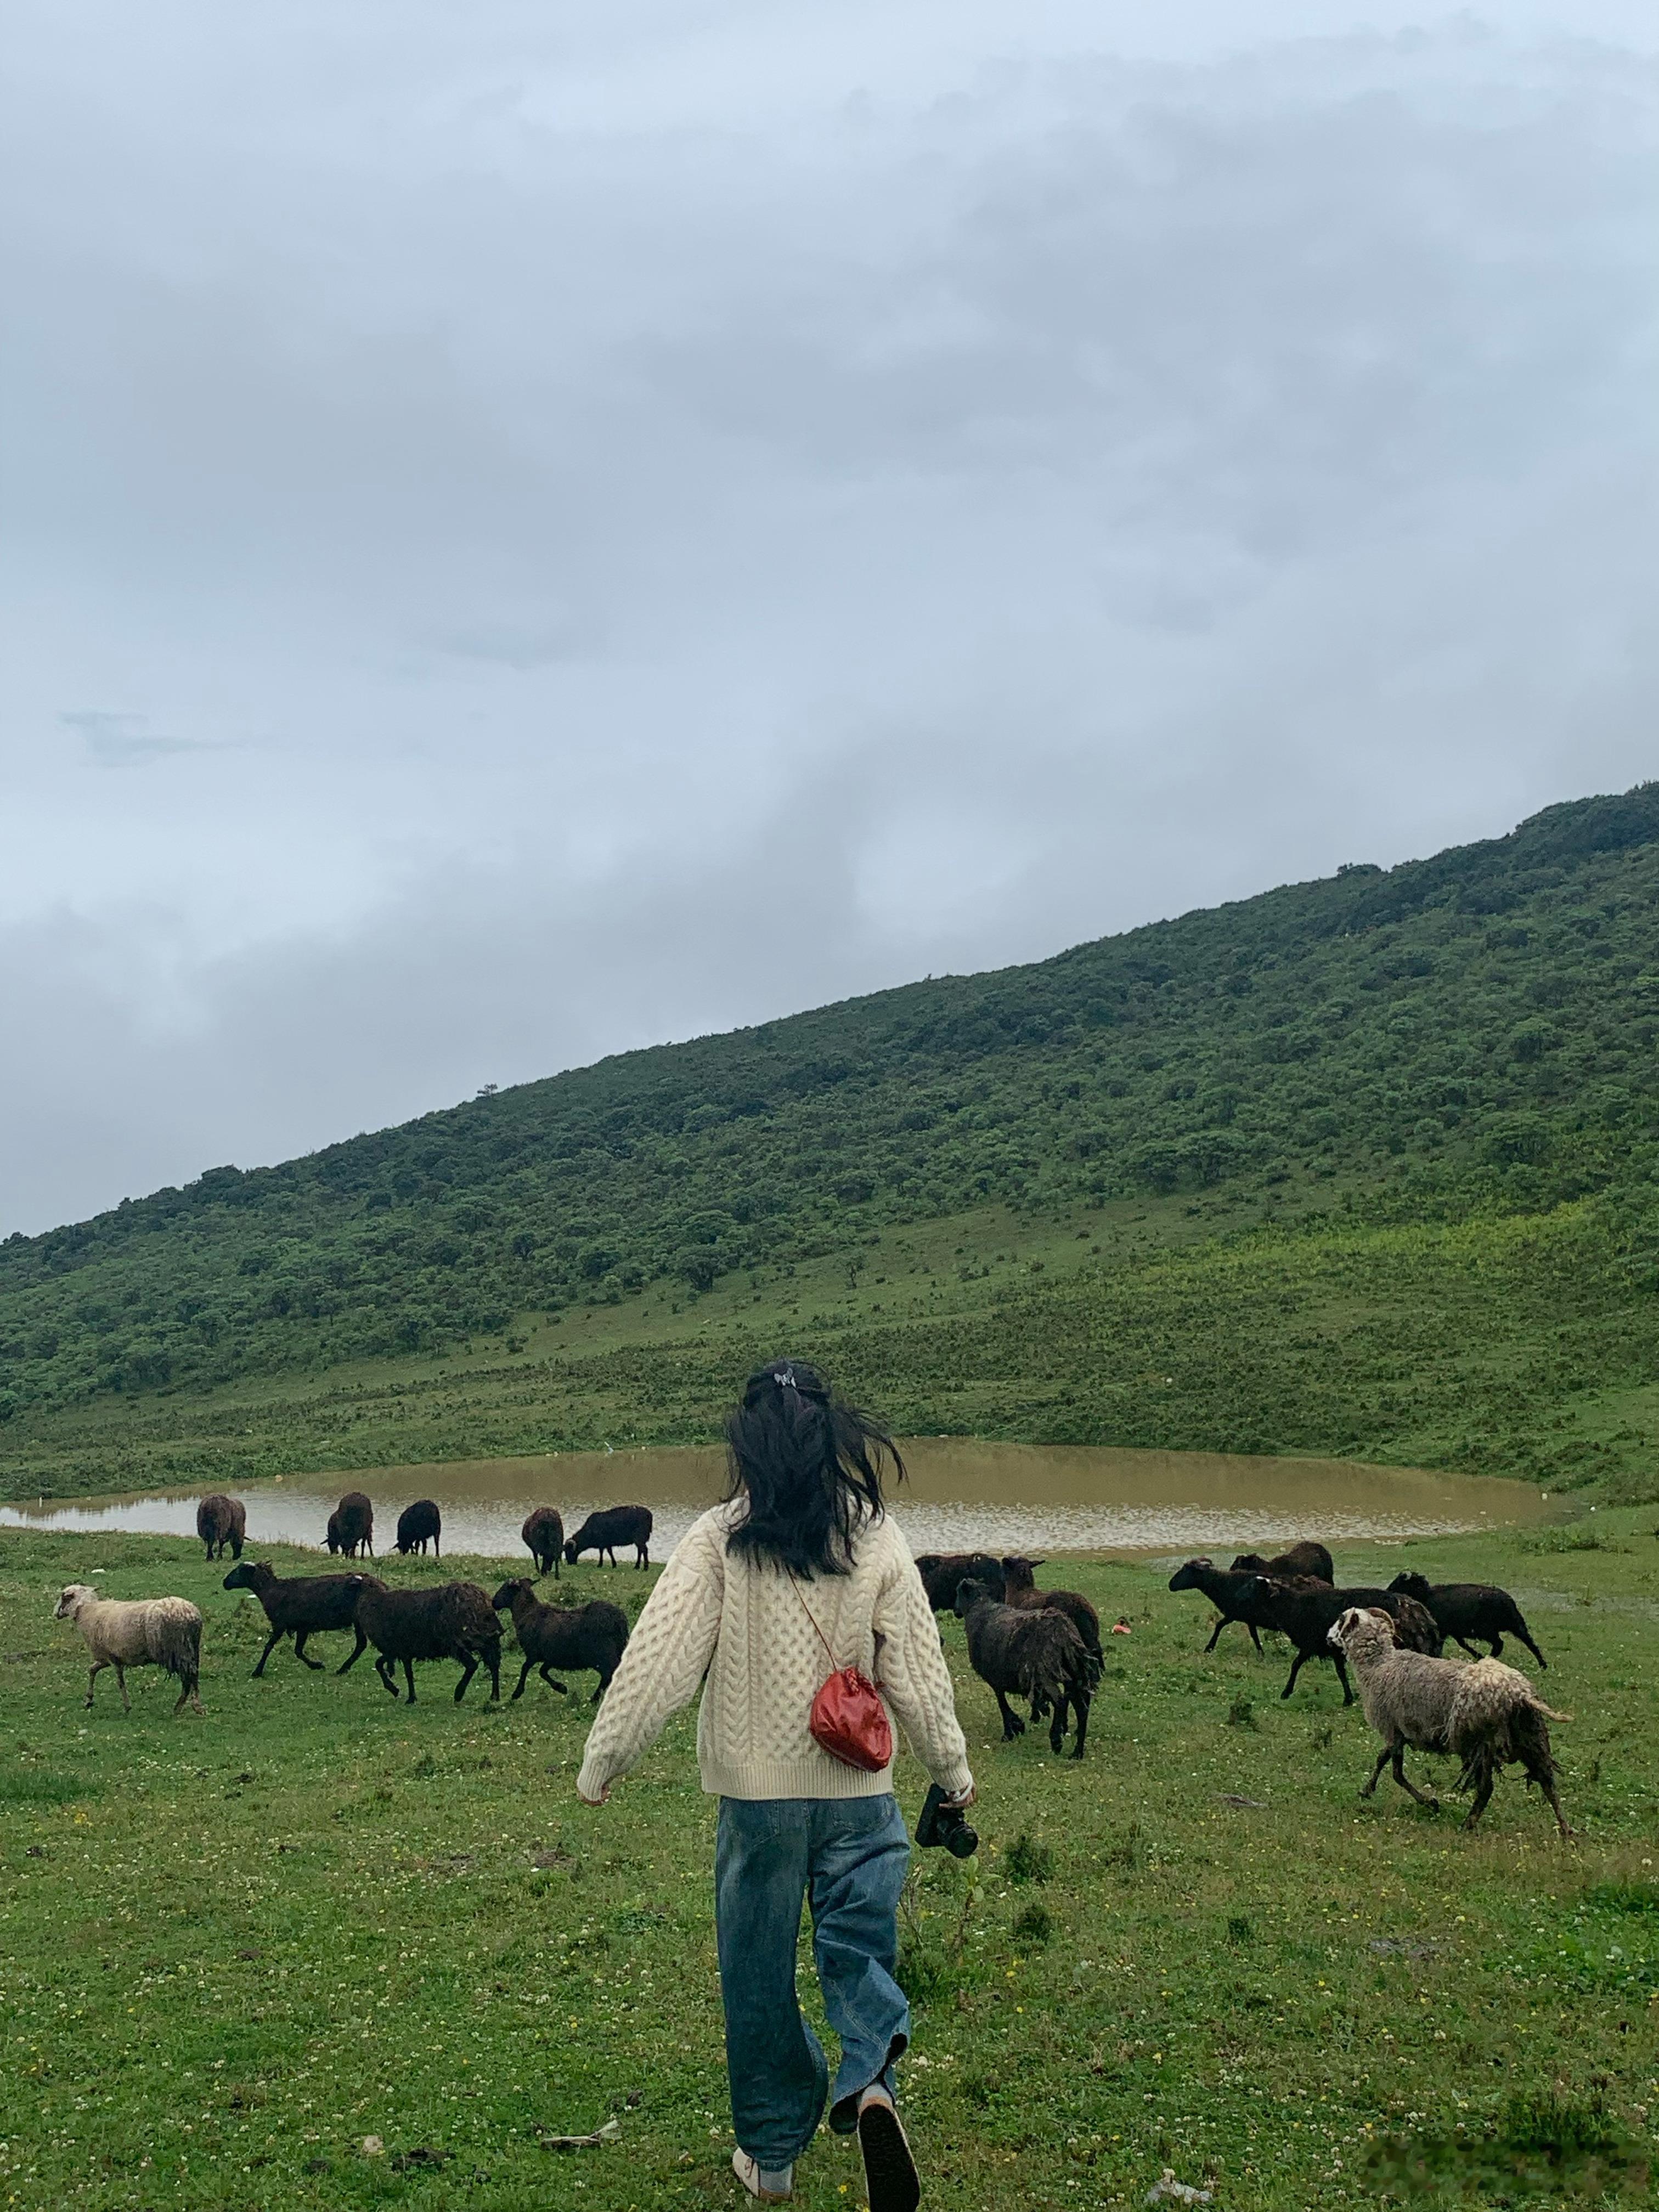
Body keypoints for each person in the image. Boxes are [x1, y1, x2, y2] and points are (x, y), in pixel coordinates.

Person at [576, 1358, 974, 2209]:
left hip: (757, 1804)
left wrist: (604, 1759)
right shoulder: (876, 1535)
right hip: (862, 1797)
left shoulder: (719, 1536)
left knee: (756, 1974)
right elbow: (921, 1670)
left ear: (747, 1440)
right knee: (860, 1954)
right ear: (836, 1436)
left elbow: (659, 1662)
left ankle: (772, 2157)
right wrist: (953, 1770)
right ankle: (871, 2083)